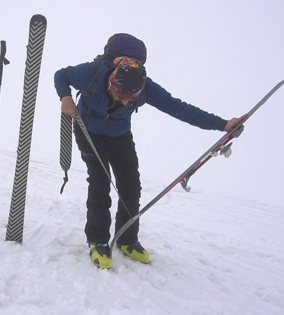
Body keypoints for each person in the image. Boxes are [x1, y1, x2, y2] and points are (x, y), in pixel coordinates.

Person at [53, 33, 244, 269]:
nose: (124, 103)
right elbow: (61, 75)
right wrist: (65, 97)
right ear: (112, 81)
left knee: (131, 185)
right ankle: (98, 240)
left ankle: (126, 239)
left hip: (119, 133)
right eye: (120, 97)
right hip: (88, 128)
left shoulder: (146, 87)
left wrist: (222, 124)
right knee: (101, 181)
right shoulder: (93, 72)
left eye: (129, 101)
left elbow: (178, 108)